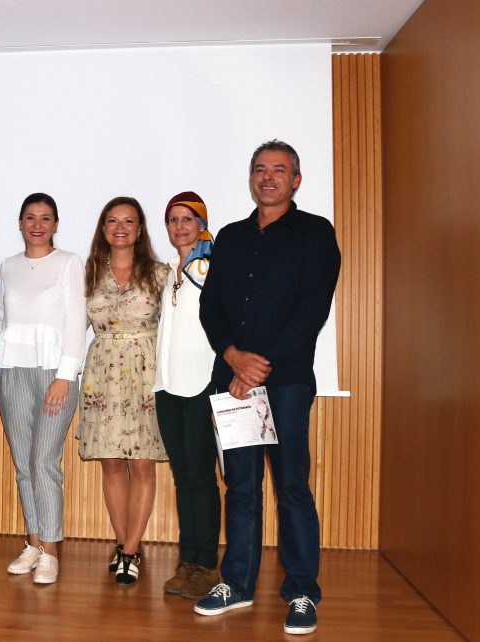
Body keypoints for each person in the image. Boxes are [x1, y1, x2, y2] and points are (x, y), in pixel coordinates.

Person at [194, 140, 340, 636]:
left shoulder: (316, 233)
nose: (269, 177)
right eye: (261, 169)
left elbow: (312, 308)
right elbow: (210, 306)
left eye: (279, 170)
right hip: (232, 384)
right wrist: (234, 357)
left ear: (296, 180)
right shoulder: (230, 238)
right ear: (251, 178)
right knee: (240, 486)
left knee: (292, 488)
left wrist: (261, 366)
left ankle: (302, 592)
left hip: (287, 383)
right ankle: (236, 583)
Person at [76, 196, 170, 586]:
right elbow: (69, 326)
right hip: (102, 375)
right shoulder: (87, 274)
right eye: (112, 221)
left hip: (145, 374)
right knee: (111, 463)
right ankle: (123, 545)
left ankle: (131, 550)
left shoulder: (161, 274)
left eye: (128, 221)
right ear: (102, 229)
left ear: (140, 229)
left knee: (142, 464)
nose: (120, 228)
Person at [0, 193, 86, 585]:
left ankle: (51, 550)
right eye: (30, 217)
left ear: (55, 224)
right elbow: (0, 319)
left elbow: (76, 322)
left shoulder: (68, 263)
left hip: (55, 373)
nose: (37, 224)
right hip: (11, 371)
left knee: (44, 461)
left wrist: (65, 375)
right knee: (23, 464)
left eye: (45, 218)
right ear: (19, 223)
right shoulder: (8, 266)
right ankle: (33, 544)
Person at [152, 191, 221, 599]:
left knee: (201, 478)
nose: (179, 226)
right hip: (168, 385)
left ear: (201, 223)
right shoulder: (171, 270)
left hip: (201, 384)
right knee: (183, 477)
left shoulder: (213, 266)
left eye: (187, 219)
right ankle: (187, 560)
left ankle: (205, 565)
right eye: (173, 220)